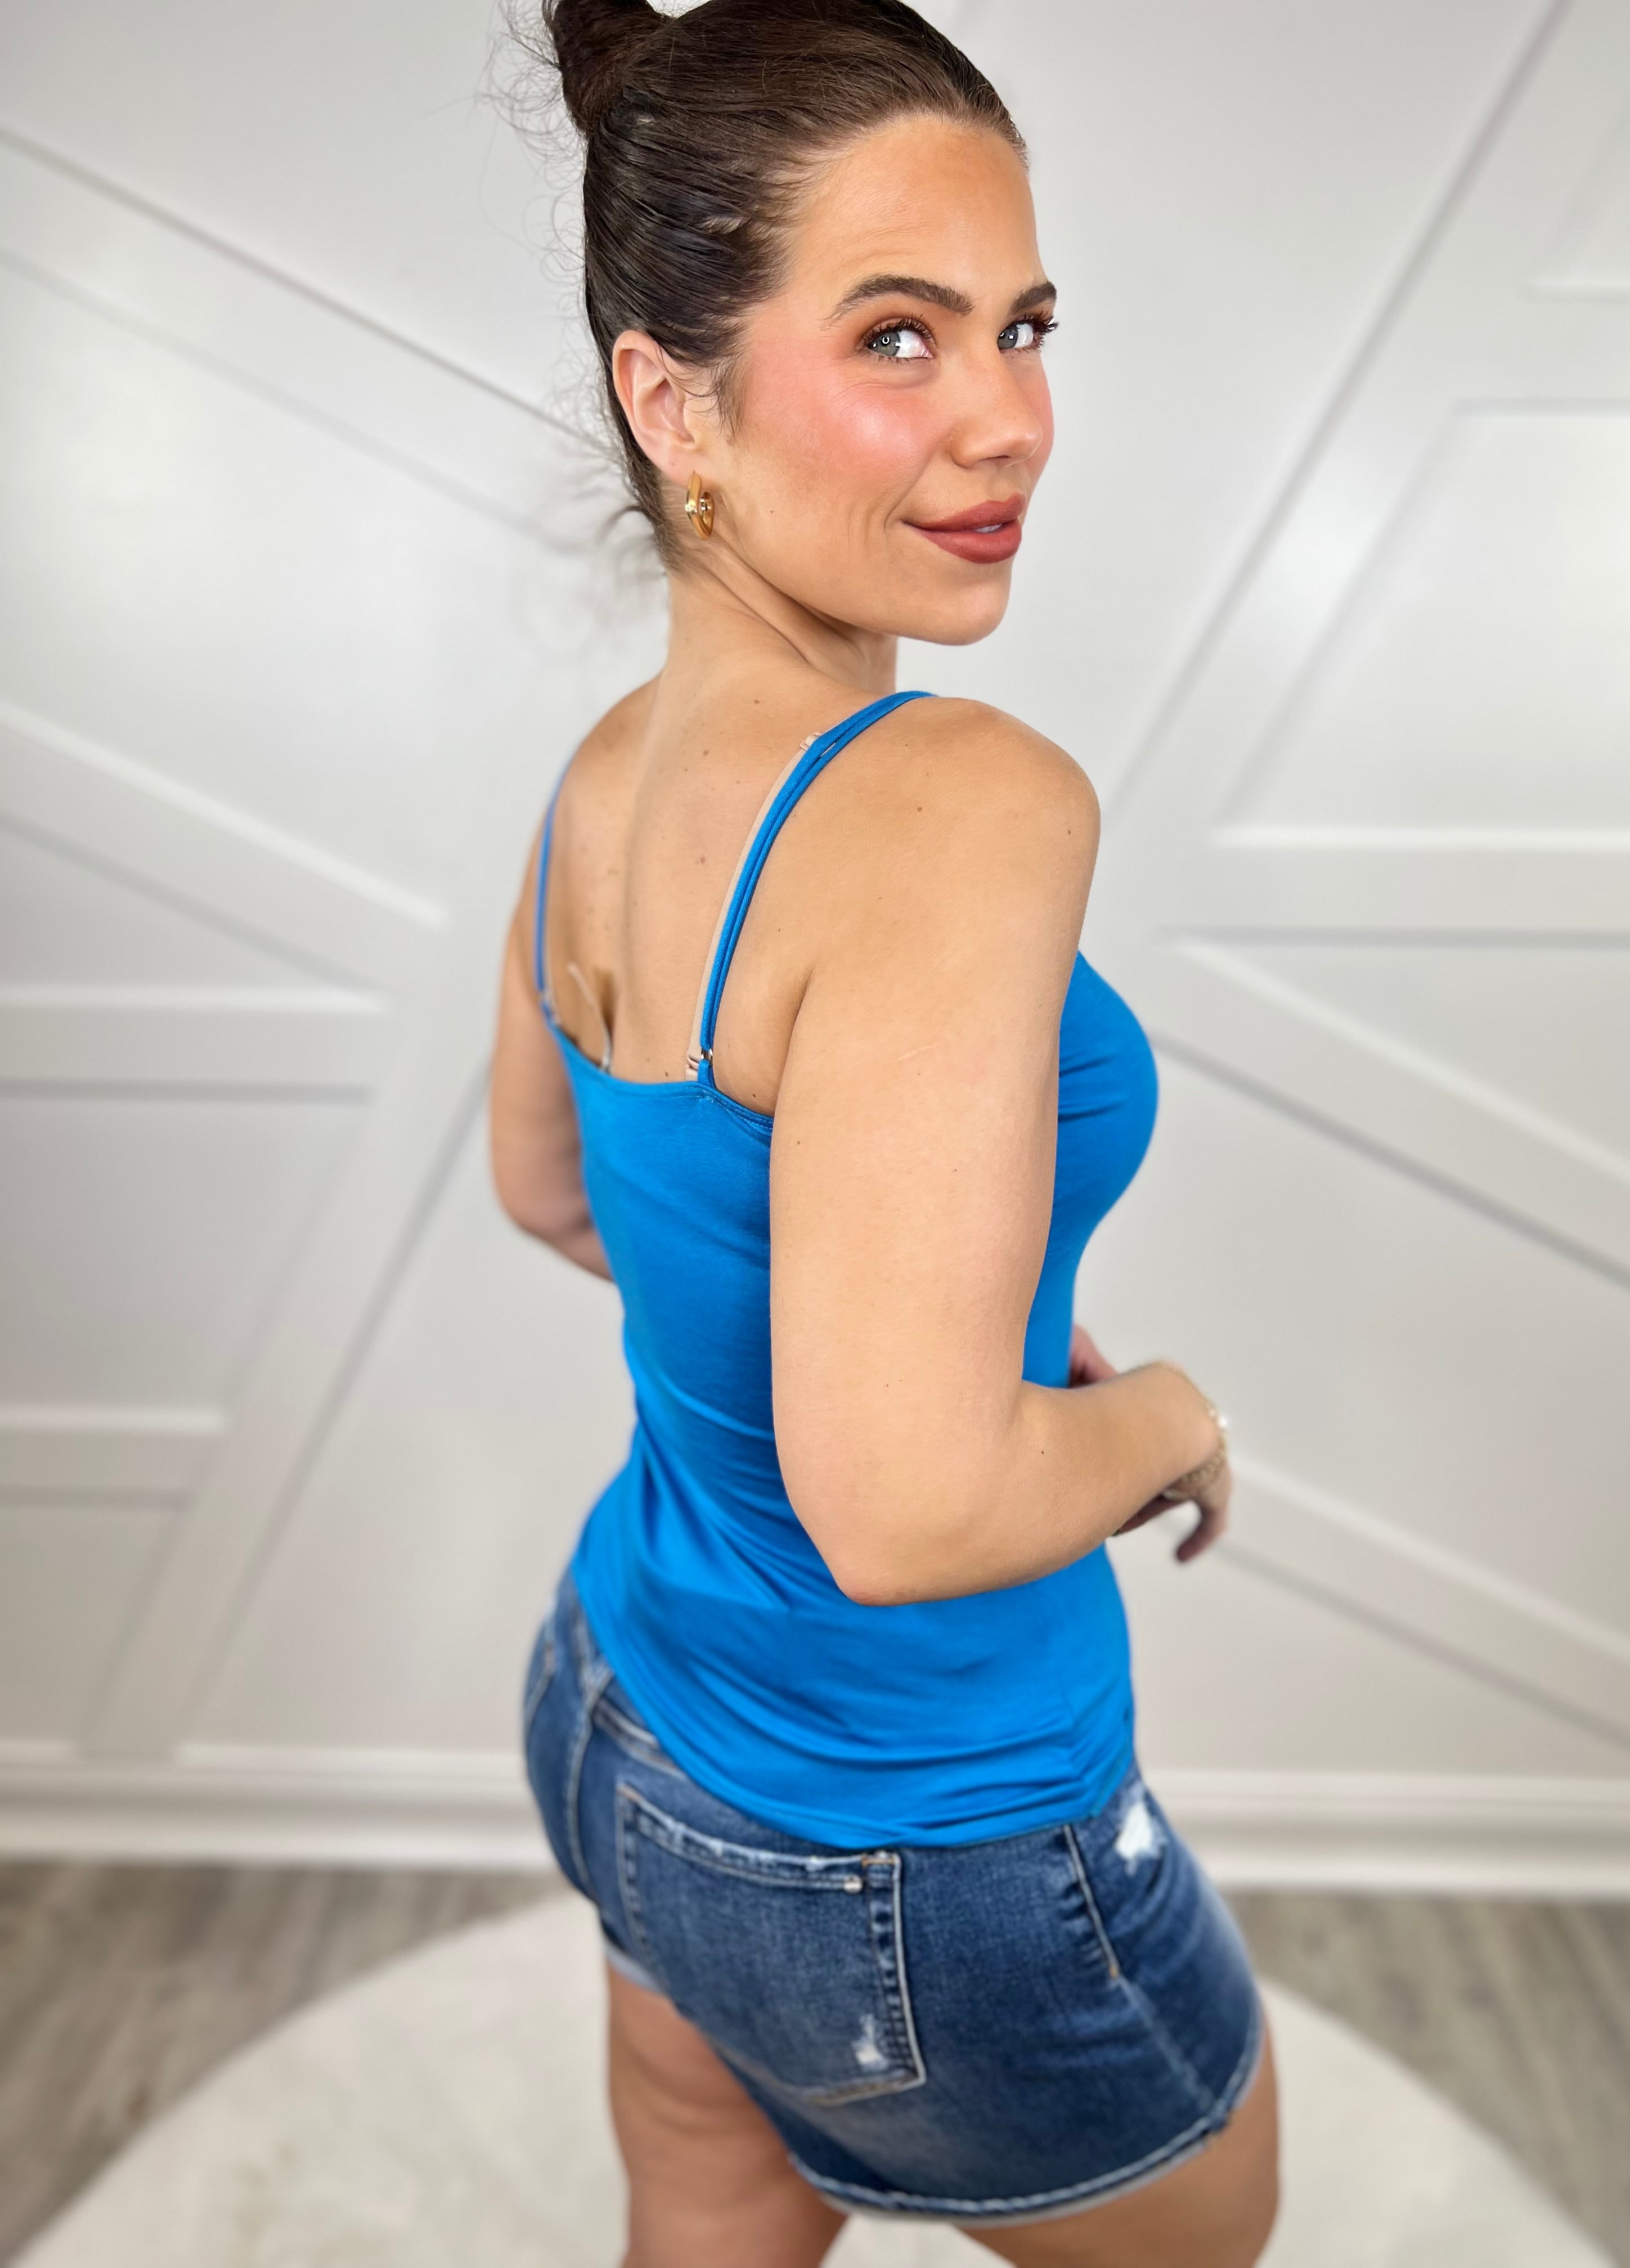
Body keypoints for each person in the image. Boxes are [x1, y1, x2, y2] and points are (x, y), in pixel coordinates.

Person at [488, 3, 1278, 2261]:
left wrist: (922, 1309)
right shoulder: (957, 805)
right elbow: (912, 1508)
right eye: (900, 336)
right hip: (916, 1836)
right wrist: (1171, 1418)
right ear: (677, 404)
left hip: (623, 1710)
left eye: (1025, 327)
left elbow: (555, 1188)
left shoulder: (607, 776)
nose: (1010, 416)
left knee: (706, 2212)